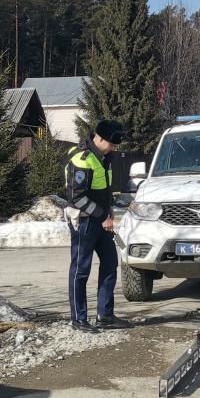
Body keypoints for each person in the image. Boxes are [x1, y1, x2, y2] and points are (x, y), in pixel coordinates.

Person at [65, 119, 133, 332]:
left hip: (103, 218)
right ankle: (79, 319)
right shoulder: (82, 159)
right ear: (100, 138)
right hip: (84, 221)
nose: (114, 148)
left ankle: (105, 314)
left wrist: (109, 209)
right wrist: (103, 215)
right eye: (112, 144)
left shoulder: (104, 158)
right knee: (80, 270)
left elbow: (103, 190)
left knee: (110, 264)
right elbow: (76, 198)